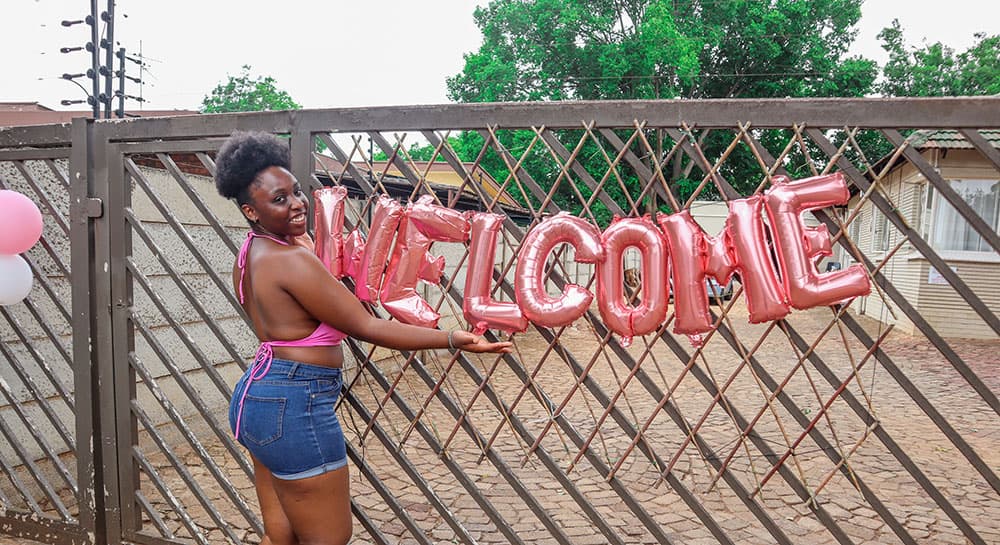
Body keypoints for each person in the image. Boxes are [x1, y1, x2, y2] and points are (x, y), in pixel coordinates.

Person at [214, 131, 512, 545]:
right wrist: (451, 338)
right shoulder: (292, 261)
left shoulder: (250, 252)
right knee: (329, 538)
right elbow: (368, 326)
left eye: (296, 192)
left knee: (279, 537)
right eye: (278, 200)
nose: (298, 203)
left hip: (258, 399)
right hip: (294, 405)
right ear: (251, 210)